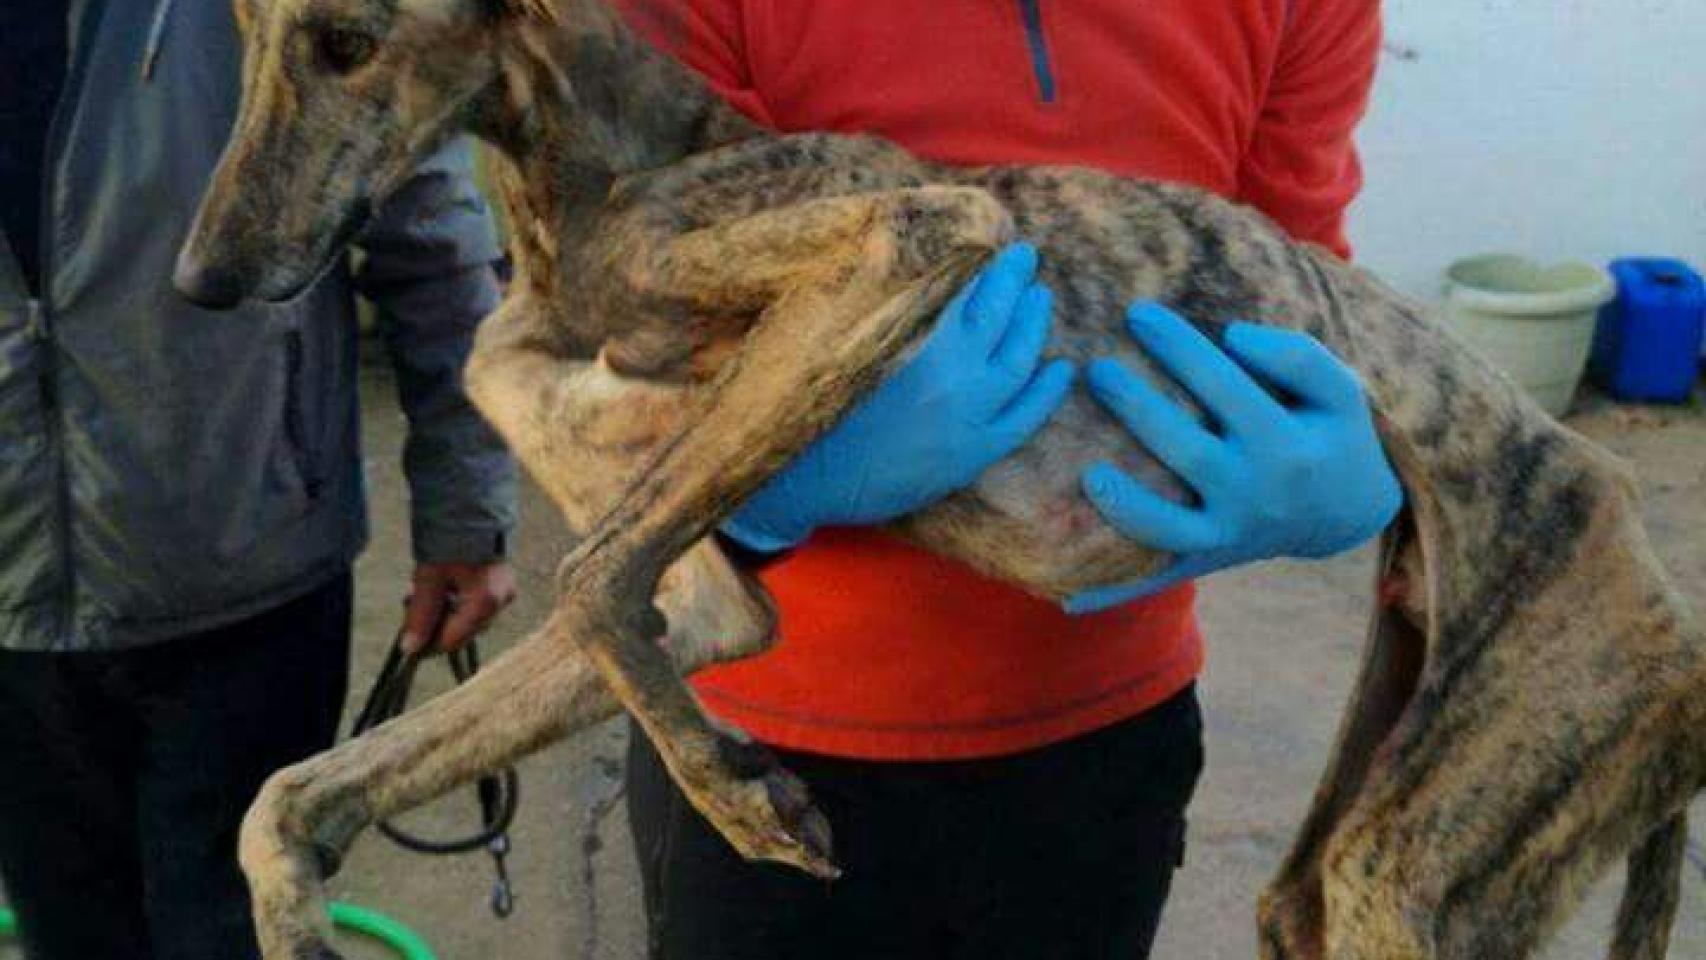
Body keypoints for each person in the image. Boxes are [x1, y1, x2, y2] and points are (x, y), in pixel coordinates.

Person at [615, 2, 1401, 958]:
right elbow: (614, 332)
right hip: (761, 752)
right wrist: (751, 501)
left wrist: (1337, 442)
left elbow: (1293, 270)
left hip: (1103, 740)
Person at [0, 3, 518, 958]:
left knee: (234, 932)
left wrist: (465, 514)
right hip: (14, 614)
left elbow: (434, 240)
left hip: (246, 582)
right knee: (69, 933)